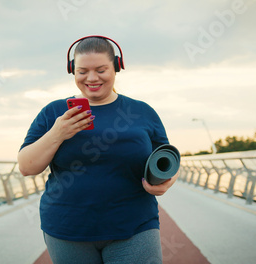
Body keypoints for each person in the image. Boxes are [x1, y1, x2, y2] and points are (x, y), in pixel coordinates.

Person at [18, 35, 178, 264]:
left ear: (117, 67)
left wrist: (167, 181)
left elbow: (168, 159)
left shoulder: (142, 111)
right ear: (72, 69)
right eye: (82, 71)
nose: (91, 78)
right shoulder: (53, 113)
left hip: (135, 225)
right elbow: (26, 167)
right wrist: (57, 133)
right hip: (67, 230)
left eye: (101, 69)